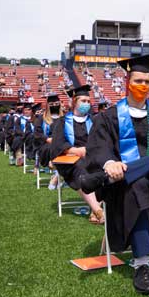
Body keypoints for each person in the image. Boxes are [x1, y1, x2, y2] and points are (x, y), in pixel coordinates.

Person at [82, 55, 149, 296]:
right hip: (125, 186)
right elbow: (98, 148)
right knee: (138, 182)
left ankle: (122, 173)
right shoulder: (110, 116)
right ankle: (142, 265)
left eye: (147, 81)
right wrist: (110, 162)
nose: (143, 86)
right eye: (139, 80)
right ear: (127, 82)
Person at [49, 85, 104, 224]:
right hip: (69, 158)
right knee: (80, 168)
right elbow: (57, 144)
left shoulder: (95, 121)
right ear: (74, 102)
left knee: (105, 168)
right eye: (83, 101)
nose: (86, 104)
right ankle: (97, 209)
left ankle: (95, 210)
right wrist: (76, 151)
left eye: (88, 101)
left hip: (92, 156)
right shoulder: (62, 122)